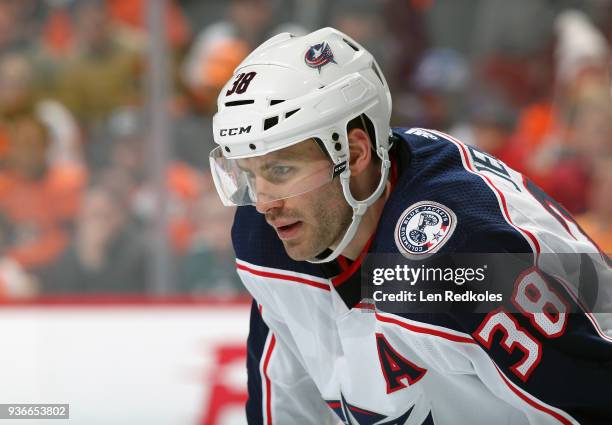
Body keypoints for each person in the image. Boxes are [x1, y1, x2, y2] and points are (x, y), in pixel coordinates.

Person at [208, 28, 612, 425]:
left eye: (280, 169)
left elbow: (592, 398)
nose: (263, 203)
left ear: (353, 154)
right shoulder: (269, 235)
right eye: (249, 174)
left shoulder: (457, 251)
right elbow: (285, 405)